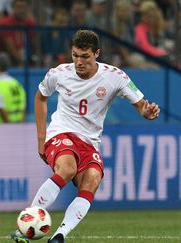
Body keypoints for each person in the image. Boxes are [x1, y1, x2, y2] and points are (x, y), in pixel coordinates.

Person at [10, 30, 160, 243]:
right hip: (61, 133)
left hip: (89, 142)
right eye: (75, 55)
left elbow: (141, 105)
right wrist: (41, 139)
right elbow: (40, 98)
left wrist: (146, 112)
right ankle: (24, 226)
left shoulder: (115, 77)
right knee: (68, 169)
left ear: (96, 53)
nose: (78, 62)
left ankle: (60, 235)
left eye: (84, 56)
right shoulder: (58, 73)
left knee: (92, 180)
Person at [0, 53, 26, 123]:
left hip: (1, 127)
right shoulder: (16, 83)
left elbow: (0, 110)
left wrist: (9, 126)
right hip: (18, 124)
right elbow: (23, 107)